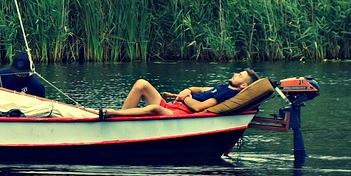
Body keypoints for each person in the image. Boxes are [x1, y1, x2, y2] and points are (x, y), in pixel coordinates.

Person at [101, 69, 259, 119]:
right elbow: (200, 89)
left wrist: (186, 99)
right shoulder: (225, 86)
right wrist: (188, 90)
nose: (236, 74)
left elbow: (199, 107)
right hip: (174, 105)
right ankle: (119, 119)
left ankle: (114, 114)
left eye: (240, 75)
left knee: (155, 109)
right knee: (142, 84)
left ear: (244, 85)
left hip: (178, 113)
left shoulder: (228, 95)